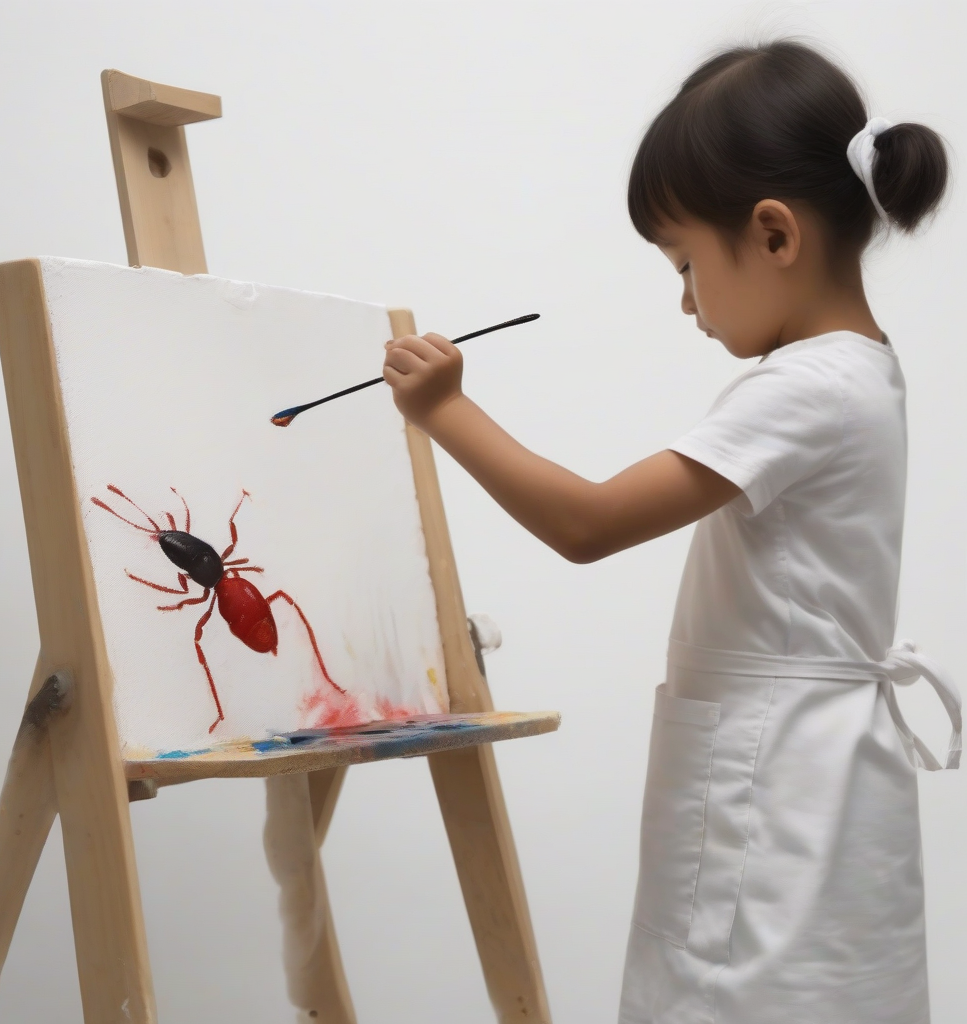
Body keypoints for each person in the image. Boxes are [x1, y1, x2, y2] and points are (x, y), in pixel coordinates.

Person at [381, 39, 962, 1024]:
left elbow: (587, 522)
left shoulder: (806, 387)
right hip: (808, 776)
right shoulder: (863, 369)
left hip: (773, 790)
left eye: (687, 262)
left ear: (774, 235)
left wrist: (444, 412)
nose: (684, 299)